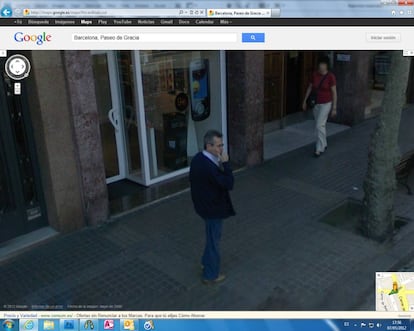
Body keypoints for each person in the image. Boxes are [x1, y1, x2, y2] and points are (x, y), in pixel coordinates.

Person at [189, 130, 235, 284]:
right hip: (212, 209)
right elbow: (229, 183)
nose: (221, 149)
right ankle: (210, 275)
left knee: (211, 237)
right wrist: (226, 164)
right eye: (218, 146)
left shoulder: (198, 158)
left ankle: (205, 262)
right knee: (214, 240)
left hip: (203, 205)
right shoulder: (209, 166)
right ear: (208, 145)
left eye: (222, 145)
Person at [302, 56, 338, 157]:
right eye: (320, 64)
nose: (321, 66)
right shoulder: (315, 75)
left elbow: (334, 92)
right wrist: (304, 101)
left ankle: (319, 148)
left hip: (326, 103)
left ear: (327, 65)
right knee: (321, 125)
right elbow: (310, 88)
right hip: (316, 104)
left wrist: (334, 107)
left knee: (319, 125)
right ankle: (324, 143)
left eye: (323, 64)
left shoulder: (331, 76)